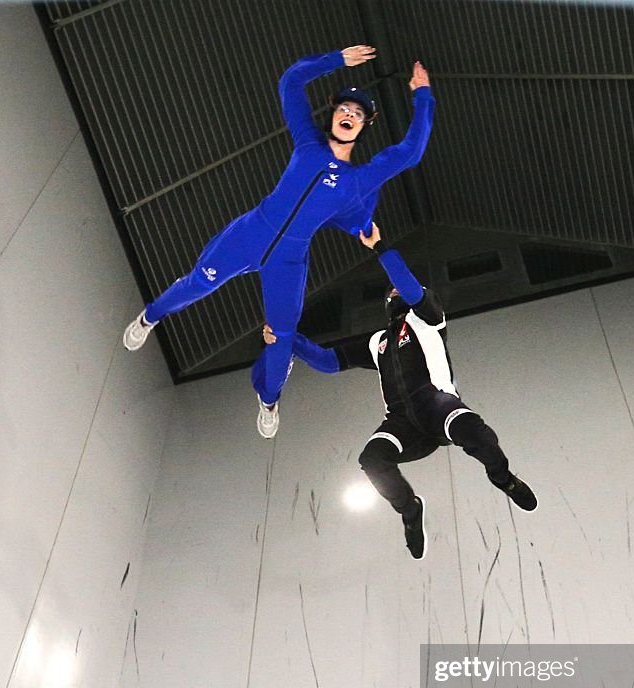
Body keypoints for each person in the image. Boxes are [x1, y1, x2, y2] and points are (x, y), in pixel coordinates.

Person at [122, 46, 435, 439]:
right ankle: (150, 316)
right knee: (200, 282)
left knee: (282, 334)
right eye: (344, 109)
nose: (349, 115)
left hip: (289, 260)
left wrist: (422, 95)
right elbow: (290, 81)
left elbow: (411, 151)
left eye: (358, 113)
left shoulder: (360, 179)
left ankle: (268, 399)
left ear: (366, 123)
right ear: (333, 113)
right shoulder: (307, 144)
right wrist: (335, 59)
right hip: (251, 233)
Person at [262, 224, 538, 559]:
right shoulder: (378, 342)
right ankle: (410, 511)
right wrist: (288, 340)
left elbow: (407, 283)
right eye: (391, 290)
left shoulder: (428, 320)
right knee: (371, 460)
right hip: (401, 424)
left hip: (439, 406)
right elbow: (328, 361)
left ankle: (503, 478)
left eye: (402, 289)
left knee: (477, 434)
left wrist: (380, 247)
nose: (396, 290)